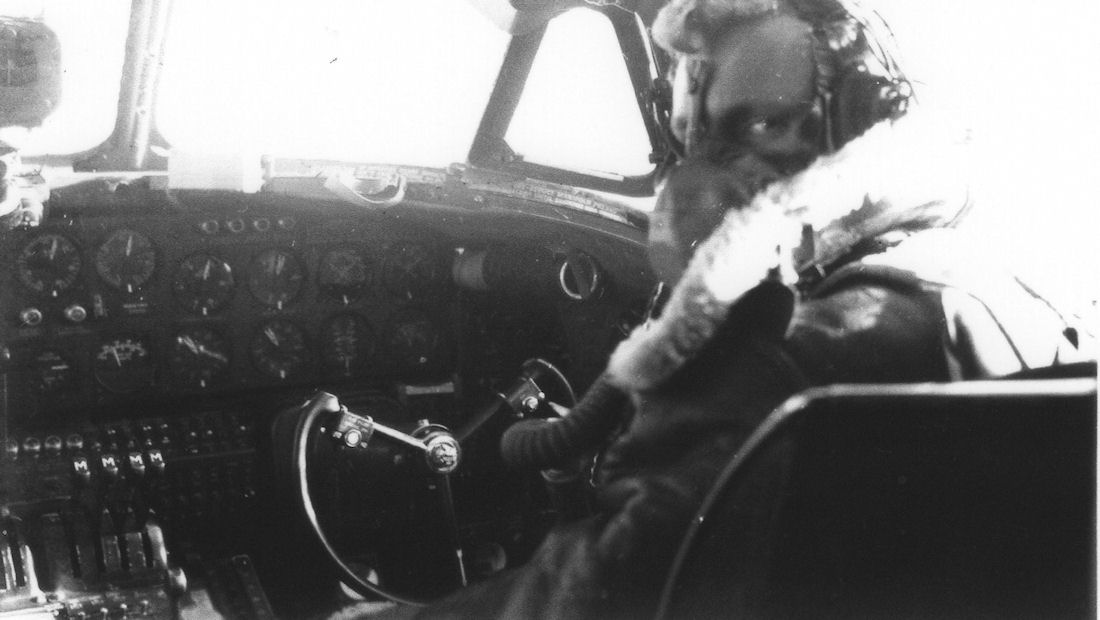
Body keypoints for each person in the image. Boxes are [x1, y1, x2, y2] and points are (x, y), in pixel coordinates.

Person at [363, 0, 1088, 617]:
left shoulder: (786, 362)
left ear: (861, 121)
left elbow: (595, 598)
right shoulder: (1007, 291)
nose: (699, 184)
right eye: (695, 141)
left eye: (756, 129)